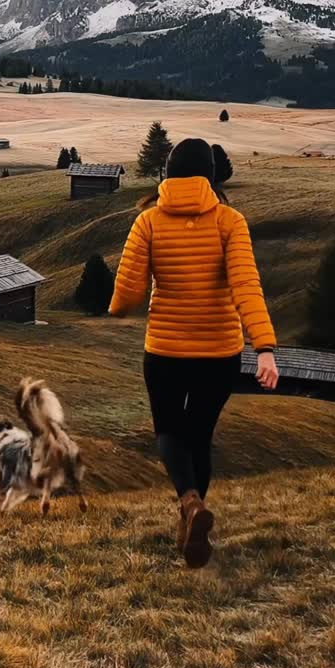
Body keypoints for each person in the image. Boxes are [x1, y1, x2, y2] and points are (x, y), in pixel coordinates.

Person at [109, 138, 278, 568]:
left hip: (165, 350)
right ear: (210, 176)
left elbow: (128, 293)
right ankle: (192, 518)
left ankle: (189, 503)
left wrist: (117, 306)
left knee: (168, 430)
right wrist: (264, 347)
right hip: (219, 353)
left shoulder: (148, 221)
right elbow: (246, 286)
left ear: (168, 173)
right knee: (199, 435)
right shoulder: (230, 221)